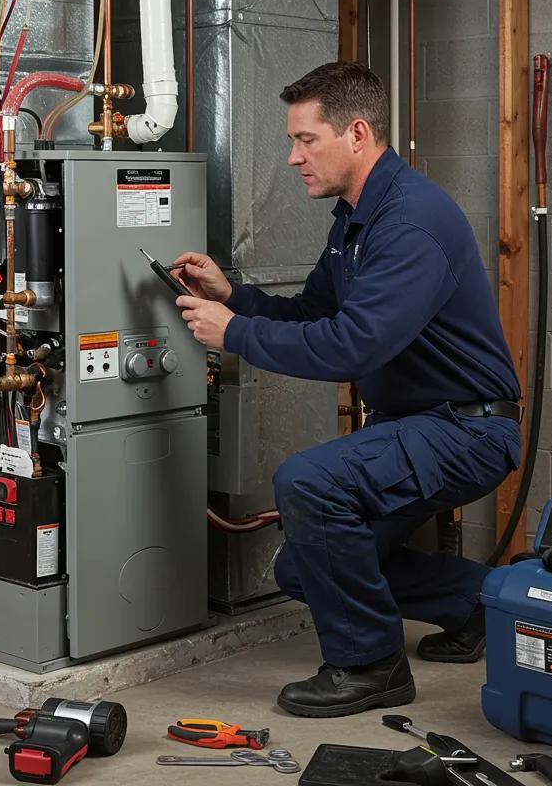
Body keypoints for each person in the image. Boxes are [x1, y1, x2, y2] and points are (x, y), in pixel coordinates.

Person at [173, 61, 522, 718]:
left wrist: (234, 334)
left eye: (307, 140)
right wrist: (234, 298)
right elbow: (316, 313)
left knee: (310, 482)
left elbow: (354, 346)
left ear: (356, 133)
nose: (293, 157)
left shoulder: (410, 222)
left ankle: (369, 665)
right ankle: (480, 603)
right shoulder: (356, 219)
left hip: (467, 429)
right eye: (293, 141)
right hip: (416, 425)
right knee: (303, 570)